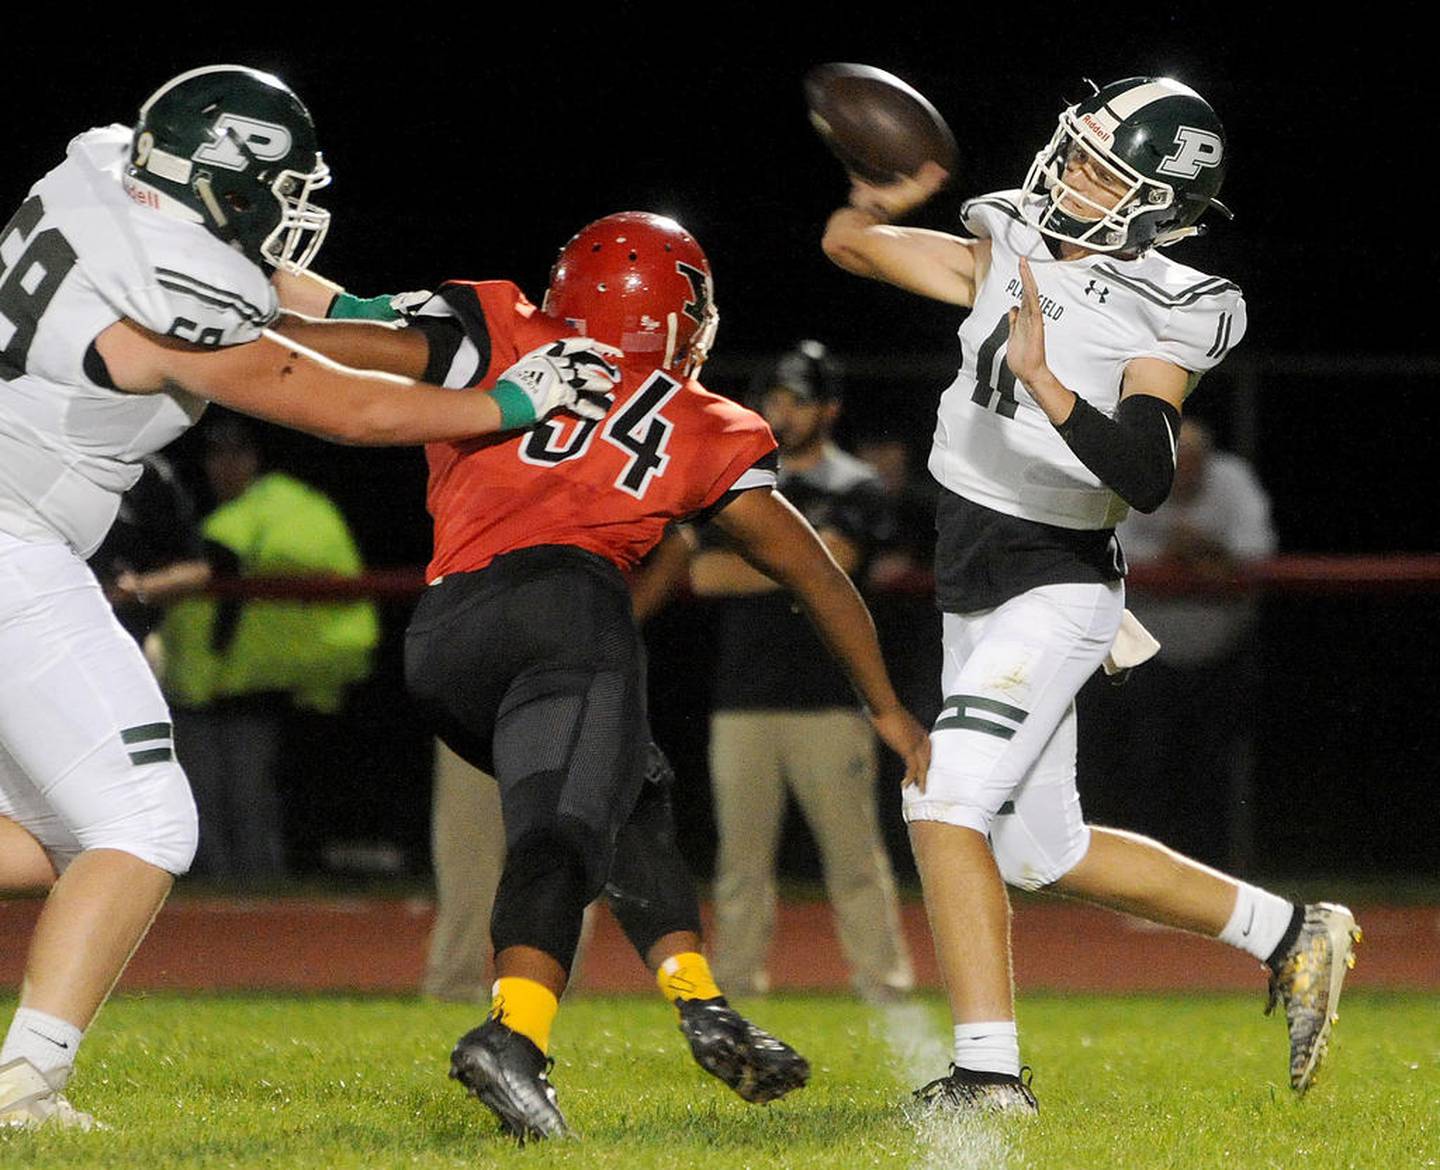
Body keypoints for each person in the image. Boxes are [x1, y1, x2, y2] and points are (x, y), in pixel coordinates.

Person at [0, 63, 617, 1130]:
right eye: (279, 188)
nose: (294, 213)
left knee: (69, 835)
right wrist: (510, 397)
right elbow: (337, 405)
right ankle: (24, 1089)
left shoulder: (104, 166)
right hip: (14, 540)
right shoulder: (179, 292)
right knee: (144, 825)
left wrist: (378, 307)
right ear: (225, 182)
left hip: (21, 524)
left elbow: (266, 291)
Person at [273, 211, 931, 1142]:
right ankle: (515, 1039)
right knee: (564, 833)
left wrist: (228, 303)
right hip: (566, 613)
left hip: (443, 634)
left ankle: (701, 1002)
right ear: (675, 312)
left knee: (631, 792)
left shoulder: (498, 319)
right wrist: (891, 707)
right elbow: (816, 573)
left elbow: (332, 336)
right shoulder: (703, 421)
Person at [820, 76, 1358, 1112]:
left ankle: (987, 1074)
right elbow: (850, 247)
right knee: (1040, 849)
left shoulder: (1180, 302)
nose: (1067, 173)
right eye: (1073, 150)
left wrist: (1052, 384)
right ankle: (1292, 932)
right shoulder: (1013, 233)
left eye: (1100, 168)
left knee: (943, 799)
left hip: (1055, 578)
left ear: (1159, 200)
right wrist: (882, 194)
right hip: (973, 569)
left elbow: (1147, 469)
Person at [691, 339, 913, 1003]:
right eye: (774, 399)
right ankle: (735, 986)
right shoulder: (740, 477)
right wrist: (801, 569)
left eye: (795, 400)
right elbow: (705, 574)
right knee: (739, 862)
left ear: (829, 409)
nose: (780, 412)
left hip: (829, 696)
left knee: (854, 857)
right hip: (742, 697)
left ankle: (885, 982)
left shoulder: (857, 486)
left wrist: (771, 566)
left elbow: (839, 560)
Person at [120, 414, 381, 883]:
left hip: (256, 682)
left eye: (238, 454)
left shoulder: (277, 508)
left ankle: (263, 888)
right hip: (200, 683)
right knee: (201, 796)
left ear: (256, 460)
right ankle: (219, 890)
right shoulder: (201, 510)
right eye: (217, 455)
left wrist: (137, 587)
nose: (227, 465)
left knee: (250, 794)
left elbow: (218, 562)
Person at [1096, 418, 1277, 869]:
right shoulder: (1137, 481)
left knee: (1213, 771)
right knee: (1147, 766)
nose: (1183, 473)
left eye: (1192, 463)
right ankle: (1146, 874)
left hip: (1222, 656)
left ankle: (1217, 873)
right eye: (1176, 464)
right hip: (1146, 657)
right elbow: (1109, 550)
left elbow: (1257, 550)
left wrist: (1206, 548)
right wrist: (1180, 558)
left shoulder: (1231, 481)